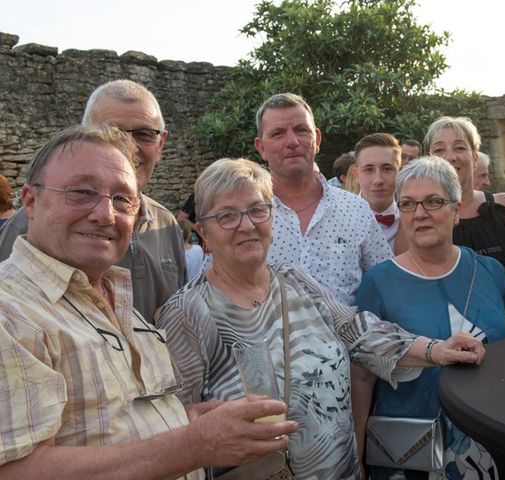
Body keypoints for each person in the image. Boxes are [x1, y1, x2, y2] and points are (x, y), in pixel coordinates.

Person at [155, 157, 486, 479]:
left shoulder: (294, 281)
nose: (247, 224)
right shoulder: (187, 313)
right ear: (203, 233)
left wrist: (435, 350)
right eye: (227, 215)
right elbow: (171, 424)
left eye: (258, 210)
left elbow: (357, 330)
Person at [0, 125, 298, 479]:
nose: (105, 214)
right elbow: (17, 470)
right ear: (30, 201)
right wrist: (192, 444)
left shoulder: (113, 296)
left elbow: (108, 423)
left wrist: (177, 419)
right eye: (81, 192)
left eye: (122, 199)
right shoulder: (12, 311)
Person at [354, 156, 505, 479]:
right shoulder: (377, 283)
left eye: (433, 202)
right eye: (407, 204)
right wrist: (358, 453)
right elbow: (362, 378)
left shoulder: (490, 271)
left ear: (457, 210)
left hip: (491, 443)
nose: (420, 214)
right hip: (407, 452)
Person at [0, 80, 186, 323]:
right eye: (112, 132)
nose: (130, 146)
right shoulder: (31, 222)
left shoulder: (166, 224)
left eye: (144, 134)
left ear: (160, 144)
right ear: (85, 136)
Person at [254, 92, 392, 306]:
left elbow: (387, 284)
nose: (292, 141)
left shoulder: (355, 210)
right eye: (278, 134)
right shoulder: (245, 216)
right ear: (261, 147)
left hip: (347, 339)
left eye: (301, 130)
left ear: (317, 139)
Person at [425, 116, 505, 325]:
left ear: (475, 156)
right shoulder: (418, 217)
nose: (450, 157)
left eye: (459, 148)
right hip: (446, 345)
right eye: (439, 150)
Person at [353, 132, 408, 254]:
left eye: (387, 169)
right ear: (356, 174)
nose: (378, 180)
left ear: (400, 172)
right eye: (369, 170)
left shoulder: (412, 220)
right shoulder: (336, 219)